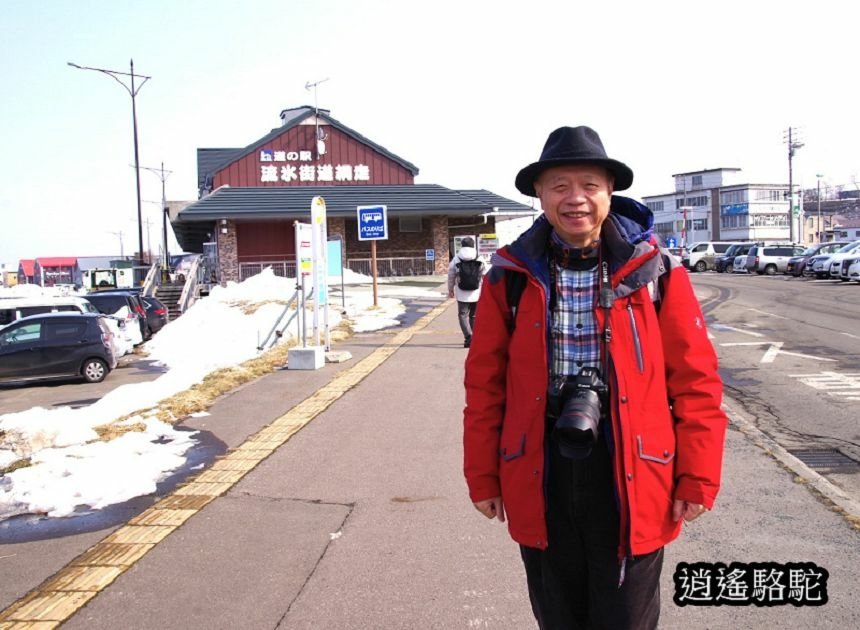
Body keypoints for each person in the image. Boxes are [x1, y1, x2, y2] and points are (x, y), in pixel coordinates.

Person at [462, 126, 727, 629]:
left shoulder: (656, 273)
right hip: (540, 471)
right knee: (558, 618)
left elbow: (696, 382)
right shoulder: (509, 277)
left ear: (610, 191)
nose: (575, 198)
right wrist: (482, 475)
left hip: (634, 473)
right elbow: (485, 388)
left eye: (589, 184)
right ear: (539, 194)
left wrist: (697, 476)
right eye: (559, 185)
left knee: (624, 621)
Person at [448, 237, 488, 348]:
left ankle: (468, 337)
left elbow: (451, 275)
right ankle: (474, 338)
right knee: (474, 315)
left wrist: (450, 290)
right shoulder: (479, 257)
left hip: (461, 292)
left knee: (462, 315)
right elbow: (485, 274)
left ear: (462, 245)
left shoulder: (457, 258)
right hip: (476, 291)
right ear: (473, 245)